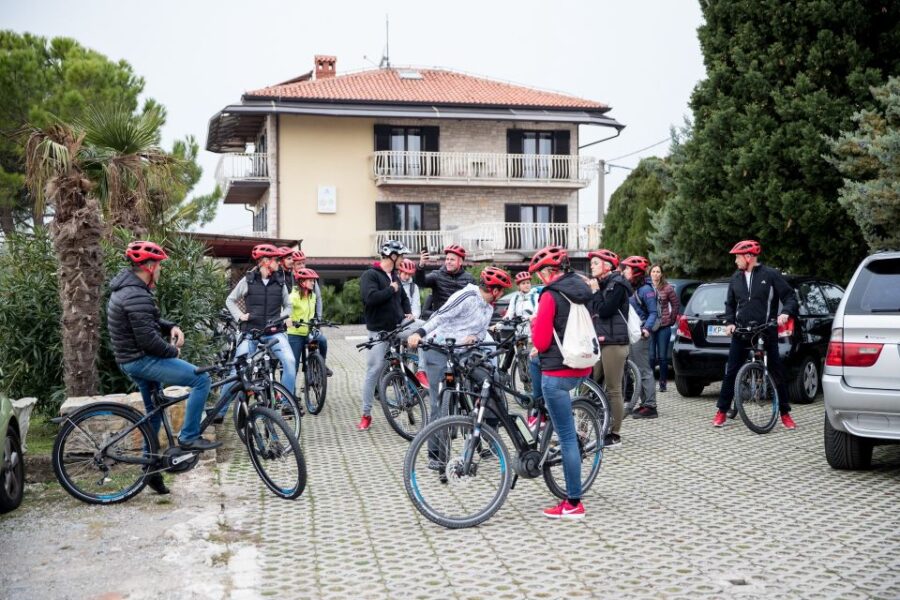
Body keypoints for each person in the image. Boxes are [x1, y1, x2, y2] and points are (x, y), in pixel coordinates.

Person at [108, 241, 219, 495]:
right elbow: (148, 339)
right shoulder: (135, 293)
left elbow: (149, 320)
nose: (160, 271)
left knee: (155, 413)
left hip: (132, 359)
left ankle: (151, 473)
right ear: (149, 266)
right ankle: (189, 435)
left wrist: (170, 327)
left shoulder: (130, 288)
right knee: (201, 380)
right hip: (141, 360)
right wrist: (173, 351)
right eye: (159, 266)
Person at [527, 245, 593, 520]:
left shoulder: (550, 295)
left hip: (557, 373)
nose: (539, 279)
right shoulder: (582, 288)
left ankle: (573, 503)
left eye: (539, 274)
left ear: (548, 272)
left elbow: (541, 342)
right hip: (582, 365)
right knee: (564, 430)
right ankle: (543, 420)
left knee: (566, 439)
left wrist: (534, 327)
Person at [407, 266, 513, 437]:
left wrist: (474, 338)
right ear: (494, 290)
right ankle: (436, 457)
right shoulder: (467, 296)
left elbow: (480, 333)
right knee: (438, 403)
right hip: (437, 348)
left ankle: (488, 431)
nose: (501, 295)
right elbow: (440, 315)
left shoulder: (488, 308)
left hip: (462, 351)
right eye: (501, 291)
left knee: (490, 379)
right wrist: (418, 333)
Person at [714, 240, 798, 429]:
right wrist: (729, 323)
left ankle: (785, 414)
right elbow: (730, 304)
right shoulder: (735, 278)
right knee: (731, 372)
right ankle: (721, 412)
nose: (735, 261)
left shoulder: (770, 275)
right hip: (742, 332)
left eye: (737, 257)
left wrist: (785, 313)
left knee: (776, 371)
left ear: (748, 257)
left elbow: (790, 296)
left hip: (766, 330)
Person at [218, 244, 296, 419]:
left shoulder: (280, 281)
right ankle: (220, 412)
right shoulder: (248, 280)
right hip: (250, 332)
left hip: (275, 333)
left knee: (290, 362)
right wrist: (239, 316)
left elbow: (288, 306)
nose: (278, 263)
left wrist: (281, 317)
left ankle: (285, 405)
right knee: (236, 370)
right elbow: (230, 300)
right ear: (265, 262)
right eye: (276, 260)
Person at [358, 240, 413, 431]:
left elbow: (404, 298)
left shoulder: (395, 275)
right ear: (393, 256)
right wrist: (391, 289)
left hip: (398, 325)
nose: (404, 259)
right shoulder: (370, 275)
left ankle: (420, 372)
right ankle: (366, 415)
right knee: (374, 370)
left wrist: (408, 311)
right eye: (402, 256)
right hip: (379, 330)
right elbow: (370, 299)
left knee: (425, 330)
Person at [587, 248, 631, 447]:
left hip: (615, 343)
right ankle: (588, 426)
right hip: (601, 341)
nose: (592, 266)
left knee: (613, 389)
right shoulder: (603, 284)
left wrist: (596, 291)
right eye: (592, 263)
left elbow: (605, 311)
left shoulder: (617, 284)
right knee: (591, 384)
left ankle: (614, 434)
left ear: (608, 266)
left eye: (596, 263)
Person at [622, 256, 659, 419]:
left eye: (627, 269)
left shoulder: (646, 290)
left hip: (640, 334)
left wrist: (646, 329)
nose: (624, 271)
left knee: (643, 370)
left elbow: (653, 313)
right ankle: (642, 403)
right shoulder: (630, 288)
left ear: (636, 272)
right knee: (634, 370)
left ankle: (650, 406)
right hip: (631, 333)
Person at [287, 268, 330, 377]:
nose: (313, 283)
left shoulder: (313, 296)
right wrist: (288, 319)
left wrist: (317, 321)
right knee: (294, 366)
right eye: (310, 280)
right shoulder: (293, 296)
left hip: (308, 333)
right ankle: (290, 393)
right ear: (302, 282)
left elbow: (312, 313)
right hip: (295, 334)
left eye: (313, 280)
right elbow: (286, 310)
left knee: (322, 340)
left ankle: (321, 365)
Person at [416, 244, 476, 319]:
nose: (448, 262)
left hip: (460, 322)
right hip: (440, 322)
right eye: (447, 259)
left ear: (460, 262)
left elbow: (475, 302)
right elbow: (421, 282)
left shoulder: (469, 279)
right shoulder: (436, 275)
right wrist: (420, 265)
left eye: (452, 260)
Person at [398, 258, 429, 387]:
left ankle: (421, 370)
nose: (406, 276)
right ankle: (379, 386)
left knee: (426, 328)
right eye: (404, 273)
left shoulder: (413, 287)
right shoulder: (393, 283)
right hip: (395, 321)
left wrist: (412, 315)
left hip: (409, 320)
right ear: (399, 271)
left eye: (409, 274)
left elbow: (416, 307)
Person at [649, 264, 680, 393]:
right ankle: (649, 383)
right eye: (653, 271)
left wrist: (671, 320)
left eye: (658, 271)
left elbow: (675, 304)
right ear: (650, 273)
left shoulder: (667, 288)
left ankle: (663, 383)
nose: (656, 274)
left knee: (662, 357)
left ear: (661, 274)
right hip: (650, 327)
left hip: (663, 326)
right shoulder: (646, 288)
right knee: (651, 356)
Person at [292, 250, 323, 321]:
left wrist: (319, 318)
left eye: (303, 263)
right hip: (295, 322)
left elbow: (318, 299)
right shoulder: (290, 279)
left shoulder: (311, 277)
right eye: (299, 264)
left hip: (311, 321)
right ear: (293, 265)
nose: (302, 266)